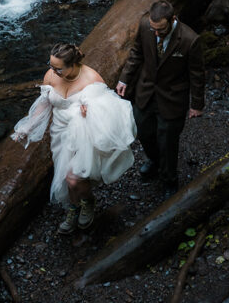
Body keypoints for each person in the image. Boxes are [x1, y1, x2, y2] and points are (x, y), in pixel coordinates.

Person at [11, 42, 137, 234]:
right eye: (51, 65)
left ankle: (88, 203)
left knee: (73, 178)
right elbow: (45, 104)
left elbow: (111, 110)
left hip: (84, 132)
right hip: (60, 132)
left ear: (72, 65)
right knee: (64, 173)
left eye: (58, 68)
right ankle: (74, 207)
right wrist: (27, 127)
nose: (53, 71)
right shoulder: (51, 75)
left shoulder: (91, 79)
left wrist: (91, 110)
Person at [116, 0, 204, 197]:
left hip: (172, 97)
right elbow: (137, 53)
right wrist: (124, 79)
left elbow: (197, 74)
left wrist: (197, 104)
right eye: (153, 28)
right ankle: (154, 161)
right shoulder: (145, 25)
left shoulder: (190, 39)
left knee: (168, 141)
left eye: (161, 30)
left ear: (173, 19)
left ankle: (169, 179)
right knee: (143, 132)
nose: (156, 33)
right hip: (145, 91)